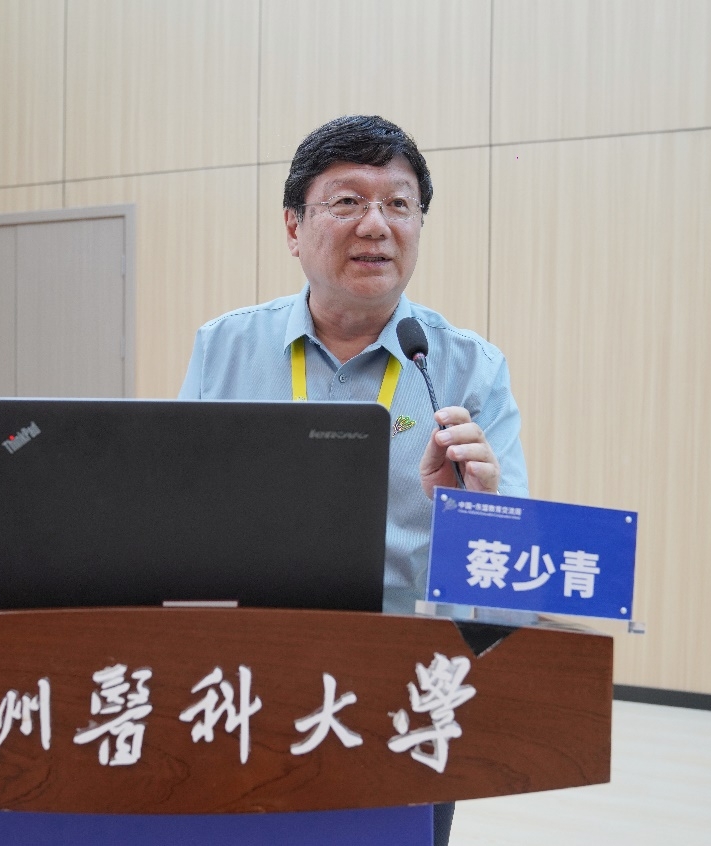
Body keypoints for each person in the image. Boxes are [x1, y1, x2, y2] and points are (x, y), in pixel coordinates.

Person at [178, 115, 529, 846]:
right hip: (251, 675)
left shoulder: (468, 369)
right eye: (347, 202)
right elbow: (178, 519)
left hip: (405, 680)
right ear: (293, 226)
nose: (376, 224)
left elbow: (508, 583)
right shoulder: (224, 348)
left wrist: (476, 510)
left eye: (399, 204)